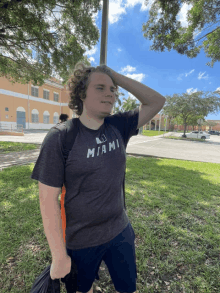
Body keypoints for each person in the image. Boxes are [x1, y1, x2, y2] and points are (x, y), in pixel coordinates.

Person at [31, 61, 165, 293]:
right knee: (84, 289)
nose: (110, 94)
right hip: (81, 241)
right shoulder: (61, 137)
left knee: (128, 288)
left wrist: (116, 77)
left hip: (120, 231)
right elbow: (47, 200)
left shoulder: (119, 126)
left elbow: (157, 101)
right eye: (100, 88)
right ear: (82, 94)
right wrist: (58, 255)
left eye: (113, 90)